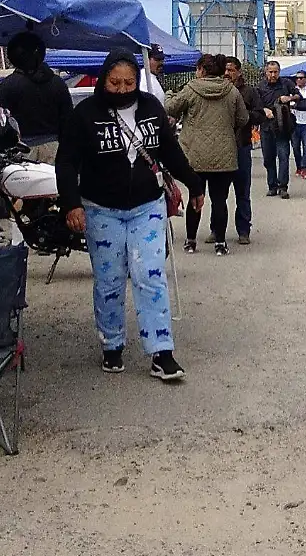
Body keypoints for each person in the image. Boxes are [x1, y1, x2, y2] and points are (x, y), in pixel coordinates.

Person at [56, 50, 199, 380]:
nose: (121, 89)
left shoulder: (151, 107)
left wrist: (195, 183)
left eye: (129, 82)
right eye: (114, 82)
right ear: (104, 78)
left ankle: (161, 352)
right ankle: (112, 344)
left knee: (150, 275)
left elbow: (170, 151)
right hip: (100, 209)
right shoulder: (86, 115)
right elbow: (66, 163)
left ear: (138, 80)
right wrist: (71, 203)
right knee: (110, 280)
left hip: (147, 206)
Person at [166, 53, 248, 254]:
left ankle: (191, 241)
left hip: (195, 155)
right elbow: (243, 119)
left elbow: (170, 108)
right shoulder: (232, 91)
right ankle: (221, 243)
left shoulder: (191, 89)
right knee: (220, 200)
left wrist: (169, 94)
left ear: (202, 70)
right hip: (224, 155)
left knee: (196, 197)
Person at [0, 30, 73, 161]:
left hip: (21, 149)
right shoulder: (58, 83)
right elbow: (68, 121)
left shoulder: (9, 85)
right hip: (54, 148)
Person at [253, 60, 298, 199]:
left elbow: (298, 96)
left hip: (283, 127)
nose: (273, 74)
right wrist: (264, 110)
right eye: (270, 72)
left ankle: (283, 187)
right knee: (268, 159)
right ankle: (272, 186)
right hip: (266, 127)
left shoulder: (286, 83)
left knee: (283, 157)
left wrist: (289, 98)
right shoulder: (260, 86)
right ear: (266, 72)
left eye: (275, 72)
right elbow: (256, 105)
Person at [224, 57, 255, 243]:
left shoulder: (249, 92)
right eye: (225, 70)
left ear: (239, 72)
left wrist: (243, 115)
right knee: (220, 194)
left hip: (242, 146)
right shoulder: (219, 91)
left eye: (231, 70)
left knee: (242, 191)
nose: (227, 73)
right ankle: (216, 229)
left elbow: (260, 114)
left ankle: (244, 230)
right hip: (222, 148)